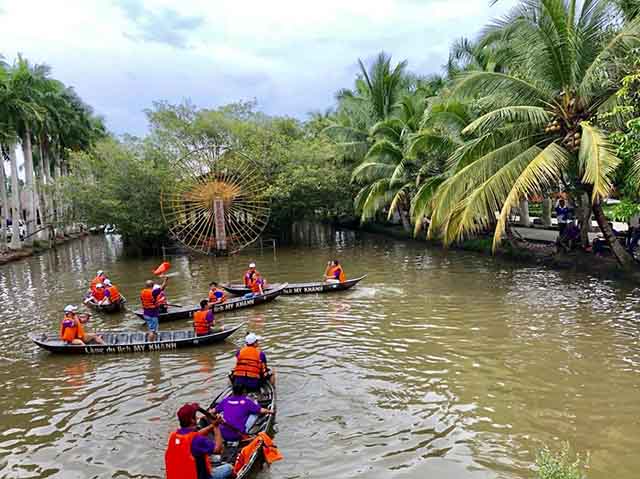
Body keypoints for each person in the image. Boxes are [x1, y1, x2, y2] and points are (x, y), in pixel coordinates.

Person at [165, 403, 233, 479]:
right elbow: (218, 449)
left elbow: (195, 434)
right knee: (229, 468)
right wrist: (216, 427)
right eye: (195, 416)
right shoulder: (197, 440)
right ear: (192, 420)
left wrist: (212, 425)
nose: (197, 418)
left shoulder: (174, 436)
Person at [140, 276, 168, 342]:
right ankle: (151, 344)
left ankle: (152, 341)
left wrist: (156, 303)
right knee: (152, 331)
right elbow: (162, 288)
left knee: (151, 329)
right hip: (152, 314)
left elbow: (148, 301)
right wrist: (165, 280)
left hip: (146, 314)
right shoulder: (153, 292)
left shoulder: (142, 292)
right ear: (152, 286)